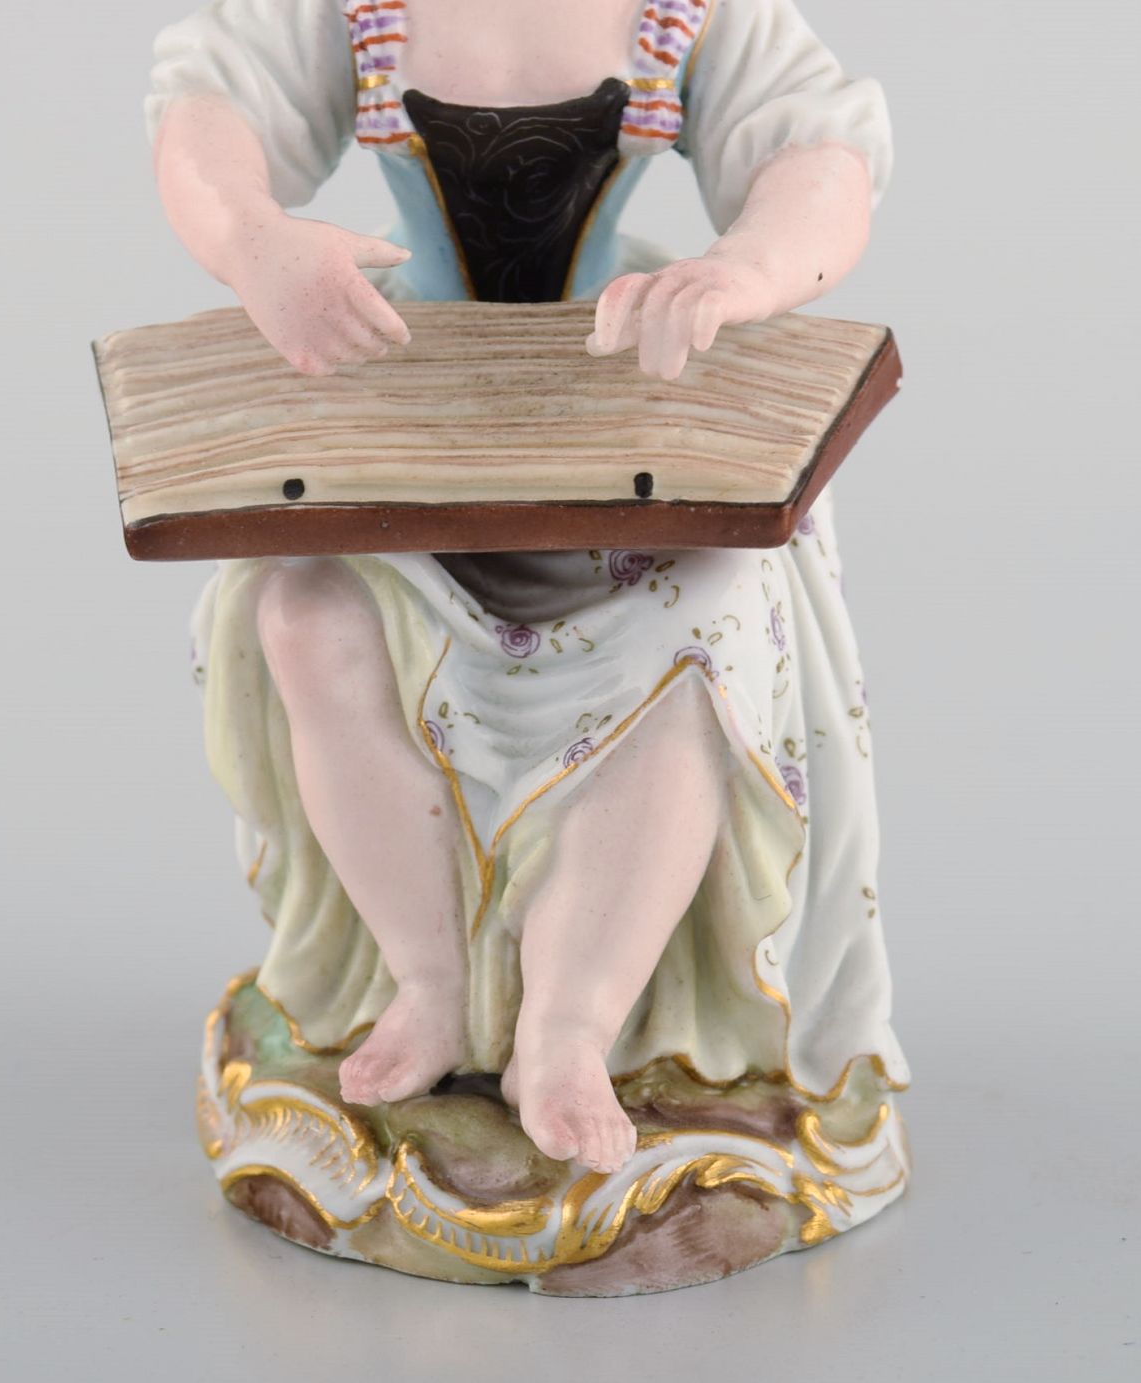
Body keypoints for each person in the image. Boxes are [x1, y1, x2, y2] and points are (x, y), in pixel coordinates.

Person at [149, 0, 910, 1175]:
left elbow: (816, 149)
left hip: (620, 386)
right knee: (307, 614)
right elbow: (210, 109)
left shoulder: (681, 13)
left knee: (708, 623)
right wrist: (254, 240)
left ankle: (569, 1025)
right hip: (407, 388)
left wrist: (740, 271)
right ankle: (428, 981)